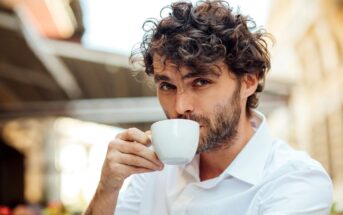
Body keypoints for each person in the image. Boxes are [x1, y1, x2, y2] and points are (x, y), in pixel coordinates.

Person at [84, 1, 333, 214]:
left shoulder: (296, 179)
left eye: (201, 82)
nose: (181, 106)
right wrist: (107, 188)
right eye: (167, 86)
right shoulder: (152, 172)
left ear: (248, 81)